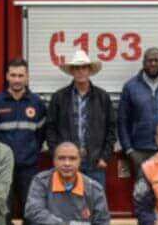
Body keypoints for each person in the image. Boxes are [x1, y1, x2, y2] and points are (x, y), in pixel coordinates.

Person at [0, 58, 47, 225]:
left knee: (30, 209)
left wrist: (30, 151)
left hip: (28, 166)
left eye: (20, 75)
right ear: (7, 76)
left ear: (27, 77)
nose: (16, 79)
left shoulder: (36, 103)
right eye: (13, 75)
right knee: (3, 209)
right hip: (3, 168)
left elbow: (41, 134)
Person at [46, 50, 116, 184]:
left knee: (95, 204)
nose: (80, 71)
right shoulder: (59, 97)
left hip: (95, 164)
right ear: (72, 72)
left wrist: (104, 157)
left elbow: (111, 129)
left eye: (84, 67)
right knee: (66, 203)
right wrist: (57, 155)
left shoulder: (102, 97)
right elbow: (50, 129)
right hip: (67, 163)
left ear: (90, 71)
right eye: (77, 68)